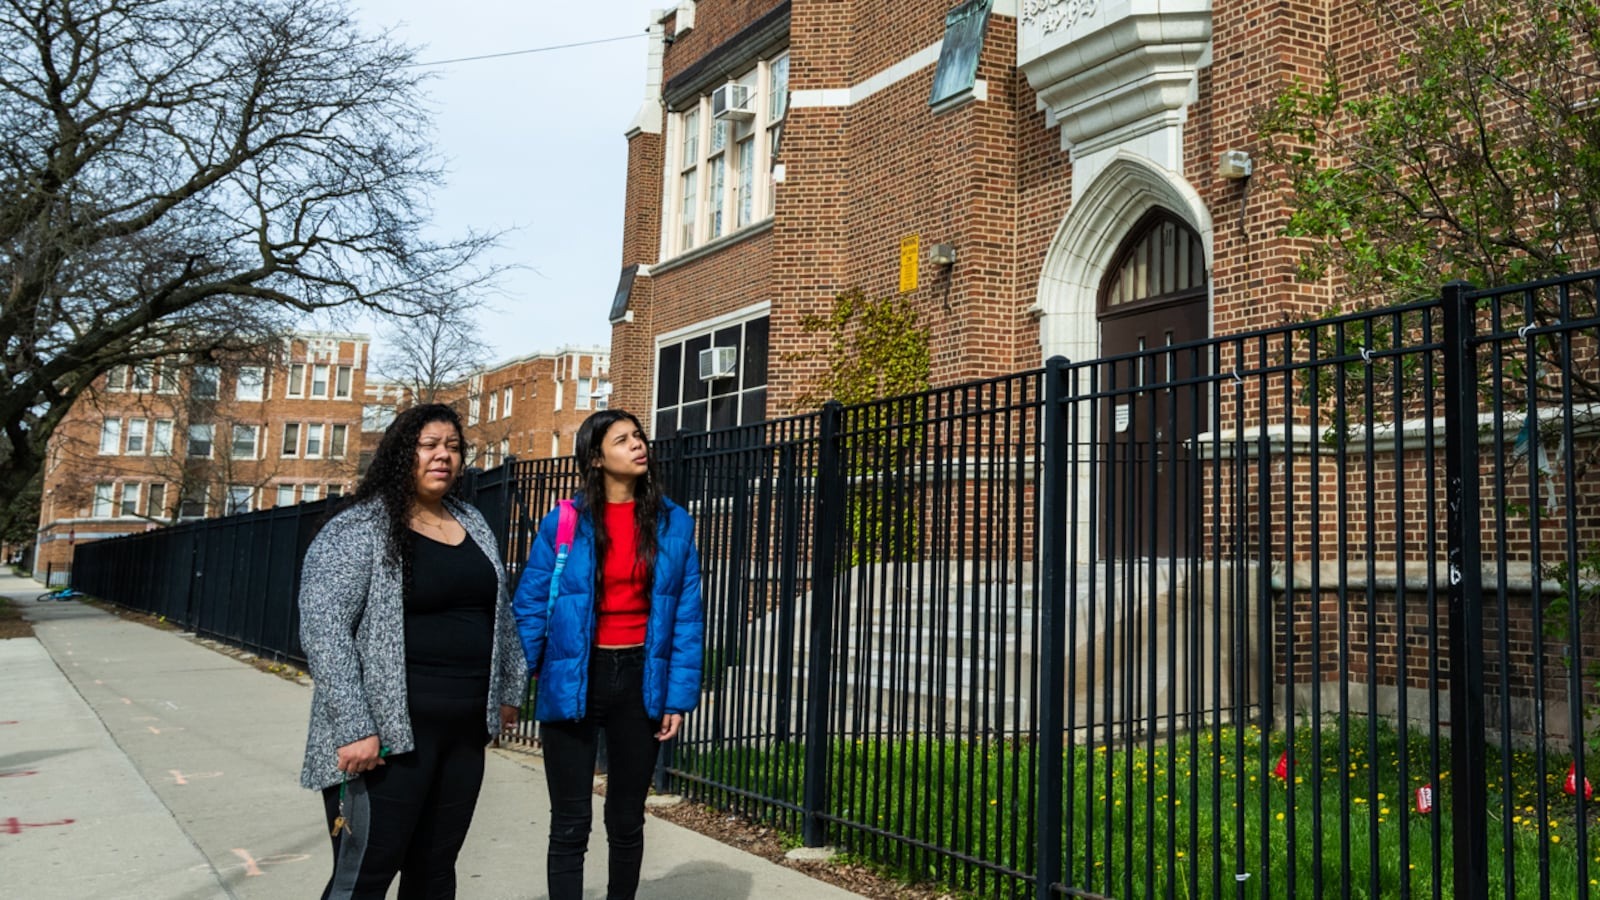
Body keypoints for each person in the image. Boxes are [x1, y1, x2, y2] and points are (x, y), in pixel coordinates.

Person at [298, 403, 526, 900]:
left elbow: (499, 614)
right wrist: (357, 728)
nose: (443, 456)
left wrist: (508, 688)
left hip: (462, 733)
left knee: (435, 873)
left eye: (453, 446)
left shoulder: (472, 521)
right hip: (386, 741)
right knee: (366, 875)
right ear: (403, 453)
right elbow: (325, 630)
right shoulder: (359, 528)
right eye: (429, 445)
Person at [513, 408, 704, 900]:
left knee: (626, 819)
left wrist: (677, 698)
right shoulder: (565, 522)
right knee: (570, 822)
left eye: (638, 436)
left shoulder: (672, 522)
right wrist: (517, 686)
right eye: (622, 440)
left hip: (641, 677)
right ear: (596, 459)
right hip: (574, 675)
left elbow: (686, 614)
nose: (638, 445)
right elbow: (530, 606)